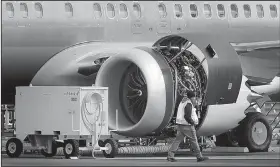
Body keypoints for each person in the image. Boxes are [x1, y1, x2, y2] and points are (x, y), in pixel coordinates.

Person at [167, 91, 209, 162]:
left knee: (177, 141)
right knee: (194, 141)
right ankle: (199, 156)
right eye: (194, 97)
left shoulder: (182, 102)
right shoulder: (188, 104)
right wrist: (192, 122)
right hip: (187, 126)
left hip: (180, 125)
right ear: (191, 97)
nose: (195, 98)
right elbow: (187, 116)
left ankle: (170, 156)